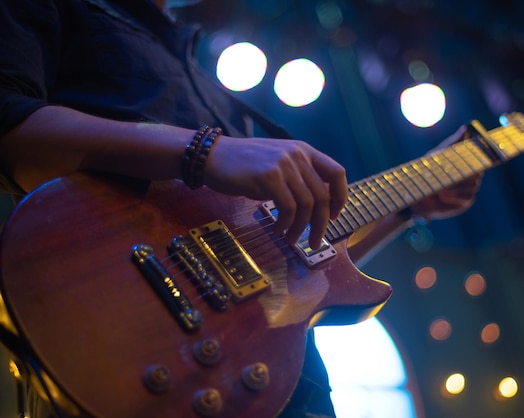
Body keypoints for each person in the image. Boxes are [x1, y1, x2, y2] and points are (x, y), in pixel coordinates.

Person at [0, 0, 481, 416]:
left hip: (275, 381)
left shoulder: (202, 72)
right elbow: (9, 121)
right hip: (117, 334)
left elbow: (290, 257)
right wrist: (205, 151)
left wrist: (408, 207)